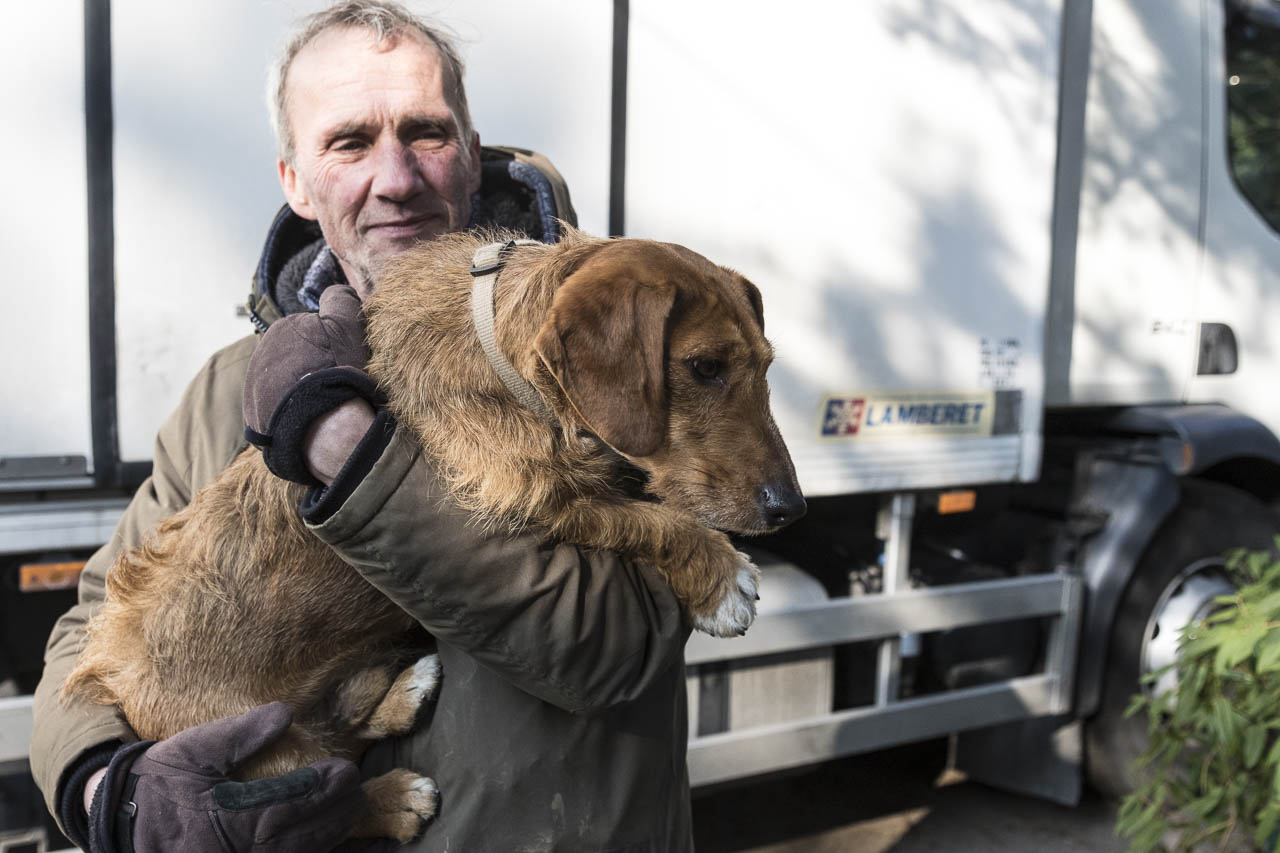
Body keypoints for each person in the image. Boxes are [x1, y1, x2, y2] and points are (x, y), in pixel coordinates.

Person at [29, 3, 696, 850]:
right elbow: (95, 629)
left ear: (471, 152)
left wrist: (353, 455)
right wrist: (110, 790)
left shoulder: (609, 344)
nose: (396, 177)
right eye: (349, 142)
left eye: (426, 133)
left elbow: (615, 648)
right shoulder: (229, 390)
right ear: (296, 181)